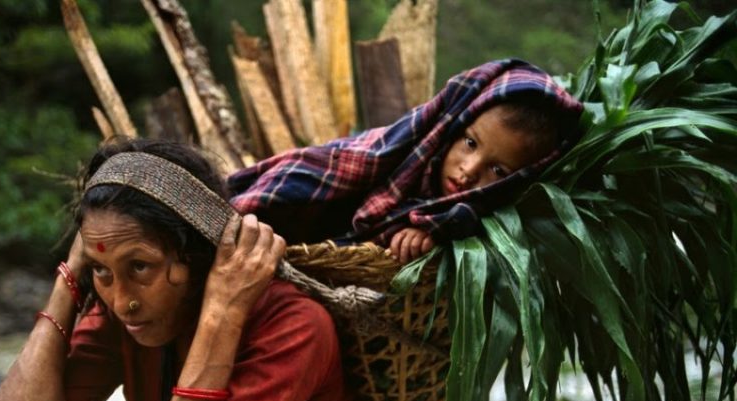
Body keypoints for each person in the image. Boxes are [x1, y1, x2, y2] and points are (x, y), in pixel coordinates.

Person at [0, 139, 405, 401]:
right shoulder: (127, 317)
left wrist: (222, 311)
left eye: (140, 267)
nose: (121, 300)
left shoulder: (292, 325)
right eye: (104, 271)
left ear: (196, 256)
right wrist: (71, 277)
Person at [228, 58, 583, 263]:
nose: (469, 170)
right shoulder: (404, 150)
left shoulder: (475, 223)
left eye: (498, 171)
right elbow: (316, 173)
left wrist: (423, 232)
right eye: (470, 143)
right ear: (453, 124)